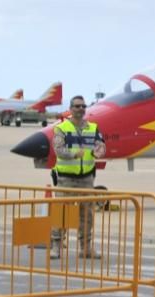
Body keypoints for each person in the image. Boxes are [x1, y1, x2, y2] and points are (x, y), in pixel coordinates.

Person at [51, 95, 106, 260]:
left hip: (87, 179)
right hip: (66, 179)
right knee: (62, 213)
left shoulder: (93, 128)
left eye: (83, 106)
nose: (81, 109)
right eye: (77, 106)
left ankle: (86, 248)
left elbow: (101, 145)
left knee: (87, 215)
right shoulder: (61, 128)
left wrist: (100, 150)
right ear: (71, 108)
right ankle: (56, 247)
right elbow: (58, 149)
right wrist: (75, 154)